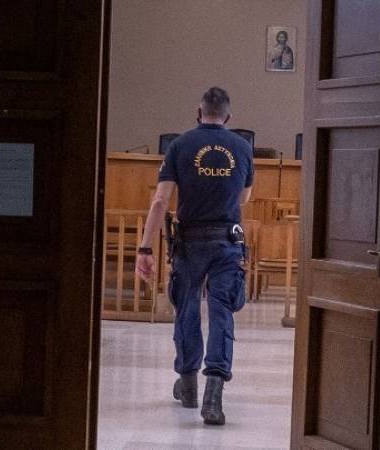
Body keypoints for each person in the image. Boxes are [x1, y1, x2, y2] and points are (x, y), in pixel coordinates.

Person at [135, 87, 254, 425]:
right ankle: (213, 397)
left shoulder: (180, 145)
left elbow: (161, 201)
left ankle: (188, 386)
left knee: (186, 309)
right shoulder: (242, 147)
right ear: (228, 117)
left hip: (189, 243)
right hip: (227, 242)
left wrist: (145, 247)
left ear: (198, 113)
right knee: (221, 313)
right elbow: (244, 198)